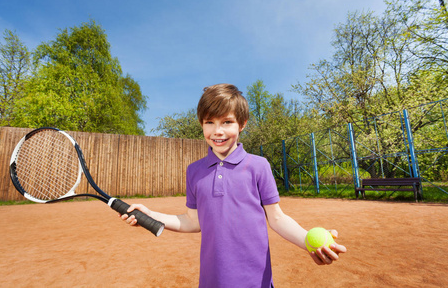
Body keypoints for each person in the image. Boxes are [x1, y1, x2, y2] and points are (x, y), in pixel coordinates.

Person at [120, 83, 347, 288]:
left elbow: (277, 219)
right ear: (202, 124)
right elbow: (192, 221)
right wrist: (151, 215)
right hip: (211, 280)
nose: (217, 131)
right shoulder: (194, 171)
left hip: (255, 281)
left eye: (227, 122)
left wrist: (308, 241)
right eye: (210, 122)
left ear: (242, 124)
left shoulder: (259, 166)